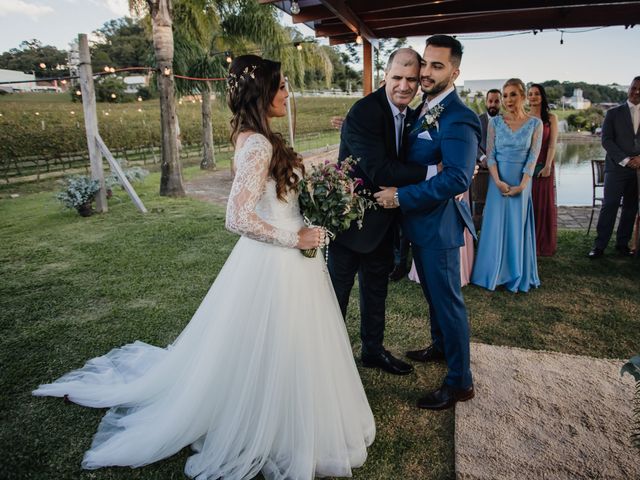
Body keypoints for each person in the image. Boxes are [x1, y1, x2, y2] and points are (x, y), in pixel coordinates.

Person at [33, 55, 375, 480]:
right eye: (282, 85)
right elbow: (236, 217)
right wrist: (295, 237)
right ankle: (267, 420)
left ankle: (288, 407)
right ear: (262, 93)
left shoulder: (258, 136)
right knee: (278, 339)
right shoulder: (257, 144)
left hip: (290, 257)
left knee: (288, 340)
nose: (288, 93)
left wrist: (315, 206)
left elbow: (276, 197)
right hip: (276, 259)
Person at [374, 35, 480, 410]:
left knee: (448, 302)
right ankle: (440, 346)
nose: (427, 72)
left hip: (439, 228)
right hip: (420, 226)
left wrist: (400, 196)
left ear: (455, 71)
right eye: (426, 64)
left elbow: (456, 178)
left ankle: (459, 382)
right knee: (434, 296)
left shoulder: (459, 117)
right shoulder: (425, 107)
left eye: (438, 65)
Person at [328, 48, 428, 376]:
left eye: (411, 79)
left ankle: (373, 350)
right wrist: (432, 172)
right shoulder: (364, 112)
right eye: (397, 77)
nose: (403, 85)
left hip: (385, 223)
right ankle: (327, 360)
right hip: (350, 221)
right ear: (385, 75)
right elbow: (380, 170)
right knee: (335, 297)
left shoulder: (413, 117)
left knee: (376, 291)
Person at [471, 78, 543, 292]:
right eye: (505, 95)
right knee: (494, 224)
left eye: (513, 94)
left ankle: (514, 274)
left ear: (522, 96)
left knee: (515, 225)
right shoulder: (495, 123)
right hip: (498, 181)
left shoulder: (535, 124)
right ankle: (491, 273)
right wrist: (498, 180)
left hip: (521, 183)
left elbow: (533, 157)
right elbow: (490, 155)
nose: (508, 100)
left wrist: (522, 186)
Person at [588, 76, 640, 259]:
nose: (636, 92)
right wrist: (625, 160)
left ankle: (622, 244)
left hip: (638, 170)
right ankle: (599, 246)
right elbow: (606, 140)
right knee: (609, 205)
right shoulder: (613, 113)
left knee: (631, 208)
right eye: (634, 88)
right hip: (616, 168)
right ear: (629, 88)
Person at [528, 83, 559, 257]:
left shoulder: (551, 118)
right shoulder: (524, 116)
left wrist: (547, 166)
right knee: (529, 203)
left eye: (536, 94)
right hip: (527, 166)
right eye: (530, 94)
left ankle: (542, 242)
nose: (533, 97)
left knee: (542, 204)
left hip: (544, 164)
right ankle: (528, 239)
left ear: (542, 97)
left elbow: (552, 144)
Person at [472, 89, 501, 230]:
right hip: (482, 171)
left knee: (498, 205)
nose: (493, 104)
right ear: (486, 102)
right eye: (490, 101)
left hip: (501, 171)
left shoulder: (506, 121)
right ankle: (477, 236)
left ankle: (496, 232)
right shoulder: (478, 120)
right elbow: (472, 143)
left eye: (496, 101)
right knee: (479, 205)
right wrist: (483, 158)